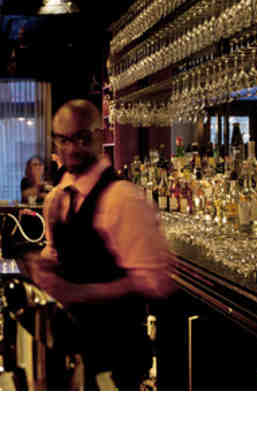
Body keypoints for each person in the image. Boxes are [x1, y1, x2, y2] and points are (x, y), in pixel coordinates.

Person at [32, 99, 174, 390]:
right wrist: (44, 266)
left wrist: (78, 292)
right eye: (64, 139)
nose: (72, 148)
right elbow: (59, 254)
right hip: (75, 352)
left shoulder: (123, 198)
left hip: (118, 357)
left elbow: (154, 282)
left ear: (100, 136)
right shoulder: (57, 197)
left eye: (82, 138)